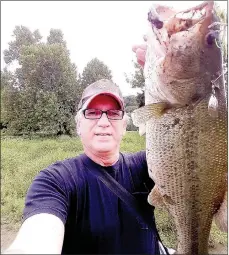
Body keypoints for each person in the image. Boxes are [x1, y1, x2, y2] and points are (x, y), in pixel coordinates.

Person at [4, 47, 174, 254]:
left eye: (113, 113)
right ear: (78, 125)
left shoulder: (147, 165)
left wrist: (175, 67)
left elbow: (189, 143)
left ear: (124, 125)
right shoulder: (56, 181)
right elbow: (37, 237)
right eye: (92, 113)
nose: (103, 122)